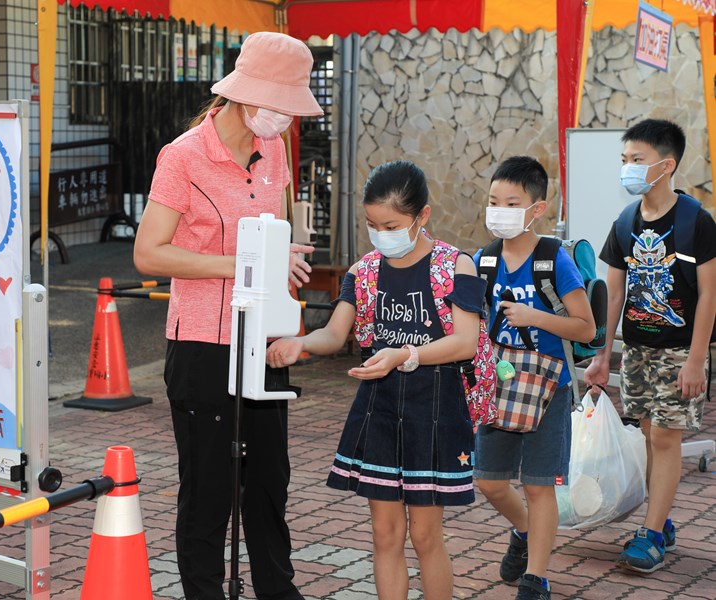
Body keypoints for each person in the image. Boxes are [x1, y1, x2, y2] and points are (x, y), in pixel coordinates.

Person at [133, 31, 322, 600]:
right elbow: (148, 253)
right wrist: (238, 262)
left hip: (263, 340)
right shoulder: (183, 155)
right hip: (202, 344)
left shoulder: (276, 154)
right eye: (282, 106)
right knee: (209, 492)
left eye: (294, 108)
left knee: (269, 484)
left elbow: (277, 232)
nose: (287, 120)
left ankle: (277, 591)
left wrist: (283, 266)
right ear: (246, 96)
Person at [267, 160, 484, 600]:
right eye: (371, 224)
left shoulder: (455, 265)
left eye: (391, 224)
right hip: (381, 407)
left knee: (425, 536)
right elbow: (334, 333)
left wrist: (405, 354)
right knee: (384, 535)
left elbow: (465, 343)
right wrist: (301, 343)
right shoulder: (364, 271)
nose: (380, 233)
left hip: (436, 409)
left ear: (422, 216)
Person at [584, 119, 716, 574]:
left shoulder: (696, 221)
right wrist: (604, 357)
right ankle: (662, 519)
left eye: (636, 160)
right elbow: (614, 295)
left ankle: (653, 534)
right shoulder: (625, 223)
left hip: (681, 350)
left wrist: (697, 360)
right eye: (624, 160)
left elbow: (709, 295)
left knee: (664, 436)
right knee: (646, 436)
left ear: (667, 165)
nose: (628, 169)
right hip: (638, 349)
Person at [473, 156, 595, 600]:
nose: (499, 210)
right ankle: (524, 532)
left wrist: (536, 317)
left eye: (511, 202)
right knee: (488, 479)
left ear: (536, 208)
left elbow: (586, 327)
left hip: (549, 387)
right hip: (499, 384)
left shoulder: (553, 260)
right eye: (492, 201)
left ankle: (536, 577)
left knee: (540, 485)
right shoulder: (483, 261)